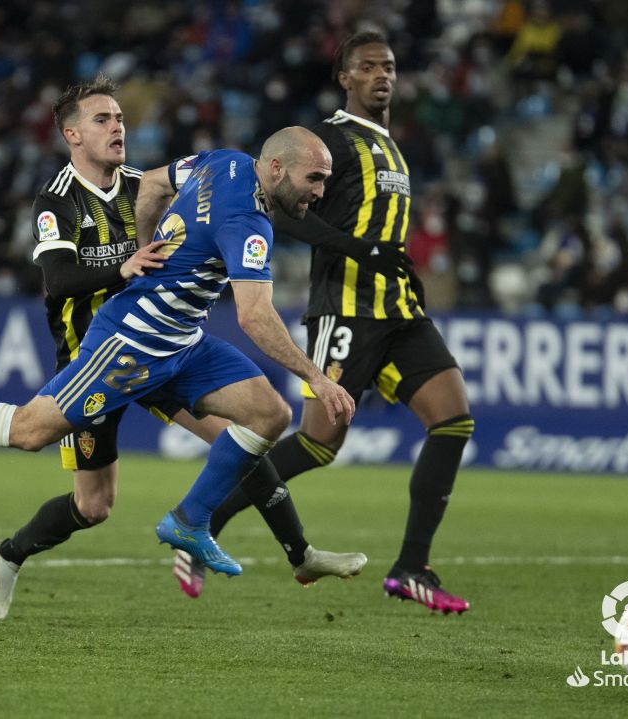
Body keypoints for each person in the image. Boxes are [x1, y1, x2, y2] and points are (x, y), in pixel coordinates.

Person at [0, 125, 360, 608]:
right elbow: (253, 315)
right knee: (32, 435)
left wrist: (145, 248)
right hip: (129, 343)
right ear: (274, 169)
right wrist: (315, 376)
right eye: (314, 178)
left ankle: (199, 523)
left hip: (180, 344)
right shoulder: (247, 221)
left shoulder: (224, 161)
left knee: (267, 415)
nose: (319, 191)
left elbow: (155, 184)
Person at [0, 76, 366, 619]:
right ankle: (8, 554)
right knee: (93, 505)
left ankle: (298, 552)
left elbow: (177, 195)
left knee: (248, 437)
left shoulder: (145, 183)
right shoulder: (57, 200)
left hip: (162, 347)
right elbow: (59, 280)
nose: (117, 127)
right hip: (98, 355)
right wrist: (125, 265)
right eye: (103, 120)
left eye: (120, 118)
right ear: (73, 134)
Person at [183, 32, 474, 614]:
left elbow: (382, 238)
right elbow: (285, 212)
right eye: (366, 67)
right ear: (345, 78)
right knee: (319, 442)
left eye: (388, 65)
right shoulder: (331, 141)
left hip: (399, 310)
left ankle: (412, 567)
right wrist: (359, 252)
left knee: (453, 421)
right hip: (345, 308)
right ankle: (198, 524)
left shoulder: (391, 146)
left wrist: (396, 269)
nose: (380, 75)